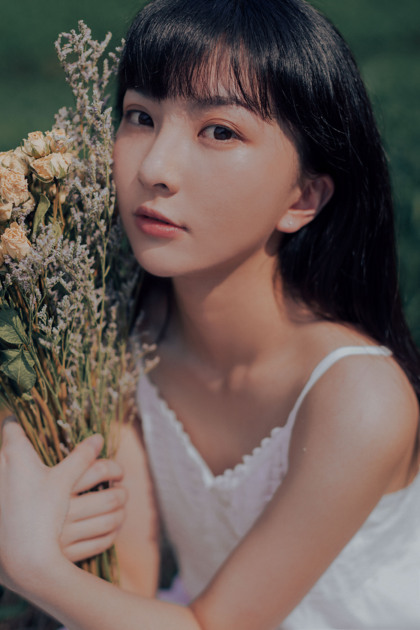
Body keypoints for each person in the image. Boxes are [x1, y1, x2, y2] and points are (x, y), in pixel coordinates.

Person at [0, 0, 419, 628]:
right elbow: (129, 584)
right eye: (141, 116)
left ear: (303, 197)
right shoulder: (118, 338)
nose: (154, 168)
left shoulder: (359, 399)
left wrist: (27, 563)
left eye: (220, 131)